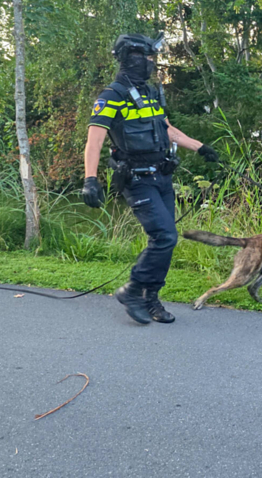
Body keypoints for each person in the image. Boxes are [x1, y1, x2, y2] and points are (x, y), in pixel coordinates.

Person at [81, 32, 219, 324]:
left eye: (151, 58)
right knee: (164, 236)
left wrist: (200, 147)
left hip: (162, 177)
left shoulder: (150, 93)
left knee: (165, 240)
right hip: (137, 179)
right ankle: (132, 289)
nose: (150, 63)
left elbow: (167, 129)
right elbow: (94, 142)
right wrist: (90, 180)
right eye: (146, 57)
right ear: (130, 58)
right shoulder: (112, 96)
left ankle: (150, 298)